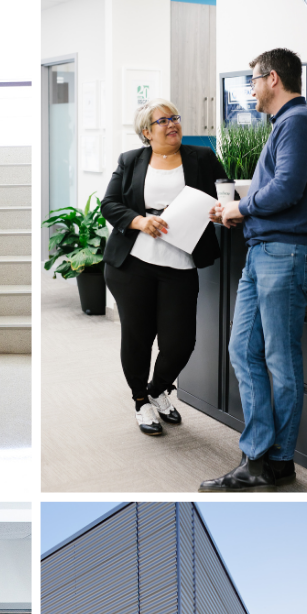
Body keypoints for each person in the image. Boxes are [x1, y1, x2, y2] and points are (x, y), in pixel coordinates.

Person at [200, 47, 307, 492]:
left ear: (273, 79)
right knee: (244, 350)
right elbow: (278, 189)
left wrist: (242, 205)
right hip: (267, 252)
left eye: (254, 80)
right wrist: (240, 210)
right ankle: (262, 457)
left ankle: (270, 461)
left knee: (279, 359)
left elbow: (288, 189)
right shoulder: (287, 126)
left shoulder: (298, 122)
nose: (251, 89)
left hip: (287, 254)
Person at [101, 99, 226, 437]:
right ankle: (141, 399)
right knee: (138, 337)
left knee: (180, 341)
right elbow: (109, 204)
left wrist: (221, 211)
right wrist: (141, 221)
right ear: (147, 131)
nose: (173, 124)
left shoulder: (201, 157)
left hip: (180, 262)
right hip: (133, 264)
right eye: (163, 120)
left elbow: (225, 195)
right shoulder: (130, 161)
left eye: (175, 118)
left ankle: (158, 388)